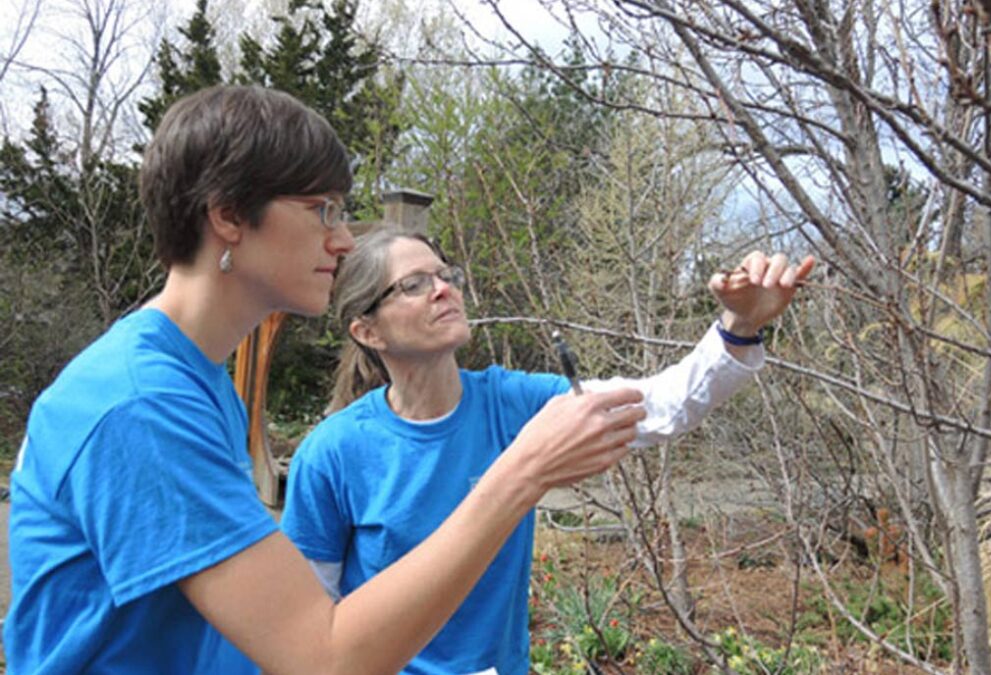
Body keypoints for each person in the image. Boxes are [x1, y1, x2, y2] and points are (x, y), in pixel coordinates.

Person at [3, 85, 647, 674]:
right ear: (228, 215)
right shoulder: (140, 405)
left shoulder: (189, 379)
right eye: (321, 210)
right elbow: (323, 659)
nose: (342, 240)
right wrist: (522, 474)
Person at [281, 227, 814, 675]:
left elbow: (660, 406)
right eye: (415, 284)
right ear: (366, 330)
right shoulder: (332, 452)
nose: (443, 290)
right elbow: (311, 619)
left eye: (447, 275)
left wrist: (741, 326)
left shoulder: (514, 403)